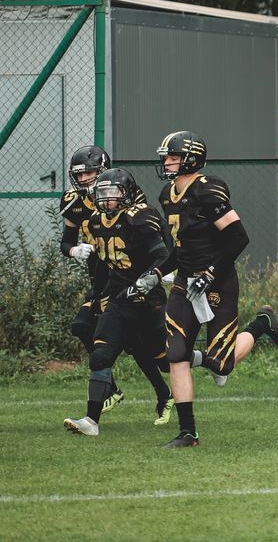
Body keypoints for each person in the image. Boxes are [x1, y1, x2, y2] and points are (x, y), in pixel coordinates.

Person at [157, 131, 278, 448]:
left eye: (172, 156)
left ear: (191, 158)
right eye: (166, 156)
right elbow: (181, 247)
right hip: (186, 282)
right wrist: (158, 272)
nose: (167, 162)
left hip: (218, 283)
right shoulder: (167, 194)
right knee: (176, 355)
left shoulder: (207, 190)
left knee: (221, 363)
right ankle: (188, 432)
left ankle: (262, 324)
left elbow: (238, 238)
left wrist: (210, 273)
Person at [63, 169, 172, 435]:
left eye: (112, 193)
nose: (106, 199)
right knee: (101, 354)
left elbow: (163, 255)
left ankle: (213, 360)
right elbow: (99, 261)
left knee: (166, 360)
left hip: (149, 300)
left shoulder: (140, 217)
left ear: (126, 195)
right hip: (119, 298)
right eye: (102, 193)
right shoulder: (95, 221)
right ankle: (91, 421)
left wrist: (152, 278)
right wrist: (97, 292)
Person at [59, 145, 124, 412]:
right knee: (83, 327)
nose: (85, 179)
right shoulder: (72, 201)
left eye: (90, 173)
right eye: (80, 174)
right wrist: (75, 250)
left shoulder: (118, 194)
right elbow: (65, 243)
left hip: (122, 273)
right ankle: (111, 387)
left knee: (146, 347)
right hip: (98, 276)